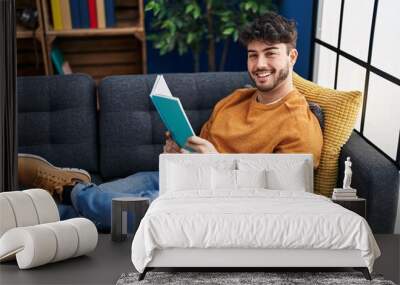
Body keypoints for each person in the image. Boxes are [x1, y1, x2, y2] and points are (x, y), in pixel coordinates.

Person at [18, 12, 323, 232]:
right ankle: (37, 212)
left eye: (270, 54)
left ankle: (67, 189)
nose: (259, 65)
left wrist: (216, 162)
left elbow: (281, 199)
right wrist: (179, 152)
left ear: (292, 57)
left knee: (106, 204)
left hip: (213, 201)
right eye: (252, 55)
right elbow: (200, 147)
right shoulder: (236, 99)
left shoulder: (300, 125)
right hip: (179, 178)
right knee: (106, 194)